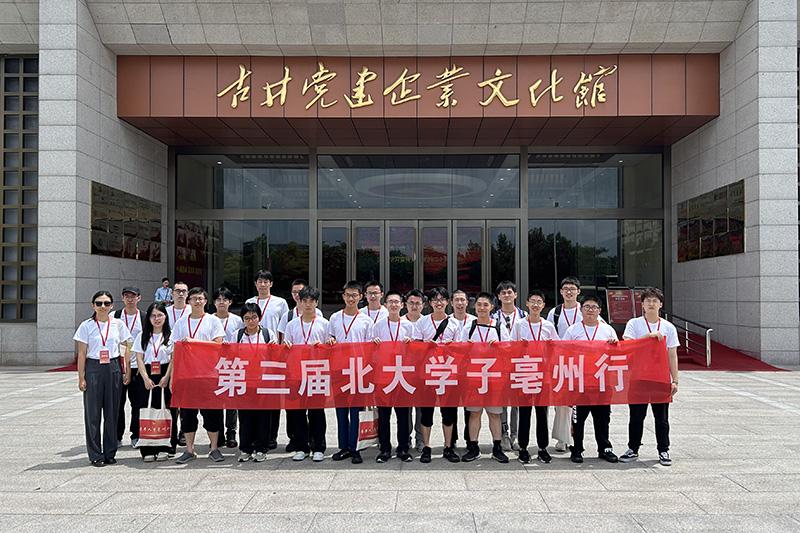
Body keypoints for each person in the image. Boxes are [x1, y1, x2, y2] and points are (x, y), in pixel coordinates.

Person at [620, 287, 680, 466]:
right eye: (648, 301)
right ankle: (633, 448)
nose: (651, 304)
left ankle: (663, 449)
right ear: (643, 304)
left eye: (655, 301)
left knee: (661, 418)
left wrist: (675, 380)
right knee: (636, 416)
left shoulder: (668, 327)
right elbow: (627, 345)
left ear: (661, 304)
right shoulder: (634, 324)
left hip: (660, 378)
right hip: (638, 378)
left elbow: (672, 355)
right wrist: (647, 337)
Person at [73, 291, 132, 466]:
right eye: (99, 303)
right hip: (94, 367)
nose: (103, 306)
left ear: (112, 305)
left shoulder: (118, 324)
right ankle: (95, 454)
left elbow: (127, 346)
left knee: (112, 412)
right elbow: (82, 353)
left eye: (106, 303)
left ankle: (110, 452)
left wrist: (127, 370)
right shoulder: (86, 326)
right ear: (93, 305)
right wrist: (81, 377)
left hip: (113, 367)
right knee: (93, 413)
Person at [171, 287, 226, 464]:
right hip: (187, 375)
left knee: (212, 414)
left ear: (206, 301)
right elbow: (175, 350)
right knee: (187, 414)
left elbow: (218, 345)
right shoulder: (181, 323)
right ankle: (189, 450)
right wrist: (173, 376)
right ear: (188, 301)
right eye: (194, 298)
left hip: (208, 374)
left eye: (200, 298)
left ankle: (214, 448)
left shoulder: (213, 321)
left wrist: (195, 343)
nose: (197, 301)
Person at [562, 295, 619, 464]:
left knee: (603, 418)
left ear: (599, 311)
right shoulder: (572, 330)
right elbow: (563, 352)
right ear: (581, 310)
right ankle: (577, 448)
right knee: (578, 419)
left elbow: (616, 354)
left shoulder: (607, 330)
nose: (590, 310)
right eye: (587, 307)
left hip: (602, 382)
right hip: (580, 382)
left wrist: (614, 344)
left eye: (594, 307)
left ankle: (604, 448)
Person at [459, 291, 511, 463]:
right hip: (474, 378)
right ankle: (473, 447)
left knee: (494, 414)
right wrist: (466, 347)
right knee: (474, 413)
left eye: (485, 305)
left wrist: (499, 346)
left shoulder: (499, 327)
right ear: (475, 306)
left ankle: (497, 447)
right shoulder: (469, 327)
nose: (482, 308)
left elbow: (509, 349)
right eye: (479, 304)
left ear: (492, 307)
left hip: (494, 378)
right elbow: (459, 351)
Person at [327, 280, 373, 464]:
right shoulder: (334, 318)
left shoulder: (366, 320)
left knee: (356, 412)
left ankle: (355, 448)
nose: (351, 298)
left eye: (354, 295)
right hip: (339, 370)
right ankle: (343, 447)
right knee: (340, 411)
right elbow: (330, 339)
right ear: (343, 296)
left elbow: (370, 348)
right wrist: (331, 341)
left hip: (358, 370)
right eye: (348, 295)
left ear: (361, 297)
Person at [414, 287, 461, 463]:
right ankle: (426, 447)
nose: (439, 303)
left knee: (448, 412)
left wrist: (452, 347)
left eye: (442, 299)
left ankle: (448, 447)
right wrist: (426, 346)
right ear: (430, 303)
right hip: (427, 373)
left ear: (447, 302)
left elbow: (461, 349)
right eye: (435, 300)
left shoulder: (455, 323)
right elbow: (415, 347)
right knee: (426, 412)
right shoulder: (422, 322)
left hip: (448, 373)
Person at [283, 286, 329, 462]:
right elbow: (285, 349)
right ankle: (301, 446)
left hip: (317, 373)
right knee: (298, 412)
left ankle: (319, 447)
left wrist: (325, 346)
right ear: (299, 302)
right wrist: (287, 347)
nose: (308, 304)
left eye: (311, 301)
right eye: (305, 301)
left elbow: (330, 349)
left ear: (316, 303)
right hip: (297, 374)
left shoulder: (324, 324)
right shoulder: (292, 325)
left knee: (317, 412)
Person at [512, 289, 558, 464]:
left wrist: (549, 346)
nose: (536, 305)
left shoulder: (548, 326)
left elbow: (557, 347)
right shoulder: (519, 324)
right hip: (525, 372)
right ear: (527, 304)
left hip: (543, 374)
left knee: (542, 412)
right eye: (533, 301)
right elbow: (510, 346)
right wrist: (519, 346)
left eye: (539, 302)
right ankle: (523, 447)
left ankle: (542, 447)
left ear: (543, 305)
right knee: (524, 412)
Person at [245, 270, 289, 449]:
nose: (262, 285)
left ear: (271, 283)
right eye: (259, 281)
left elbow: (283, 328)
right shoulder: (249, 302)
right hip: (253, 356)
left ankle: (271, 436)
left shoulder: (280, 302)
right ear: (255, 284)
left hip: (273, 355)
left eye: (266, 281)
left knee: (273, 397)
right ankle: (256, 435)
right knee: (254, 397)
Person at [371, 290, 415, 463]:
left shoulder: (408, 326)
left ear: (402, 305)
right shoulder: (378, 325)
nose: (394, 305)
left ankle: (403, 448)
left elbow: (415, 352)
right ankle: (385, 449)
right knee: (384, 415)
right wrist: (374, 346)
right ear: (386, 305)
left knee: (403, 415)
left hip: (402, 375)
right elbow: (372, 353)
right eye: (390, 302)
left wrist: (411, 345)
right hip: (383, 376)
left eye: (397, 302)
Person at [231, 302, 276, 463]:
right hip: (244, 381)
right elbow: (231, 356)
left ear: (260, 318)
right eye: (247, 318)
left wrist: (274, 348)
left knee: (263, 417)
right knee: (245, 417)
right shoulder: (237, 335)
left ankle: (261, 448)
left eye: (254, 317)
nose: (251, 321)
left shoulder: (268, 334)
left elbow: (275, 356)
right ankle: (245, 448)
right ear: (243, 320)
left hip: (264, 381)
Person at [132, 302, 178, 462]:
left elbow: (174, 358)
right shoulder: (142, 336)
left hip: (166, 374)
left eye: (160, 315)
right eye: (153, 316)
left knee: (167, 410)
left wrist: (167, 377)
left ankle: (167, 446)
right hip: (147, 375)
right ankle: (148, 448)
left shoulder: (172, 336)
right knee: (147, 410)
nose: (156, 319)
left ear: (165, 317)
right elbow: (139, 358)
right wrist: (145, 377)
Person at [546, 276, 583, 453]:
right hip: (560, 362)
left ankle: (575, 436)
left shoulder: (586, 310)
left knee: (577, 403)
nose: (569, 292)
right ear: (561, 292)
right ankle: (563, 438)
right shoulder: (554, 312)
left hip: (581, 362)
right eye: (566, 289)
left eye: (572, 289)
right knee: (561, 402)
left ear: (578, 292)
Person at [492, 281, 527, 452]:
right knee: (502, 402)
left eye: (509, 292)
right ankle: (504, 434)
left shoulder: (524, 315)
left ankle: (516, 435)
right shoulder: (493, 317)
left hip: (520, 364)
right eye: (503, 293)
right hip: (500, 365)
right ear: (498, 296)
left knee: (517, 402)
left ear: (515, 295)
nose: (507, 295)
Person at [114, 287, 145, 448]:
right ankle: (117, 436)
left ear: (139, 298)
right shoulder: (115, 316)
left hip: (137, 366)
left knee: (137, 403)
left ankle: (136, 435)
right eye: (127, 296)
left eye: (133, 296)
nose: (130, 299)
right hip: (118, 366)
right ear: (122, 298)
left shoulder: (144, 317)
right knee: (117, 403)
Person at [213, 287, 244, 449]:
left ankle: (231, 432)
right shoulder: (208, 319)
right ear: (213, 302)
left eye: (225, 299)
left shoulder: (237, 320)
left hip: (232, 364)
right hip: (213, 365)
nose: (222, 302)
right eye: (218, 299)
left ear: (230, 302)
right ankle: (217, 433)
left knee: (232, 400)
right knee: (216, 400)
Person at [448, 289, 475, 450]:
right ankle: (451, 440)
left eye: (462, 300)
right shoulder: (446, 321)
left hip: (470, 371)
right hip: (450, 370)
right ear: (451, 303)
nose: (459, 303)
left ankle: (469, 439)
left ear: (467, 302)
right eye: (456, 300)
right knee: (450, 407)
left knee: (469, 408)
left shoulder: (475, 321)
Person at [277, 279, 323, 344]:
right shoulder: (288, 317)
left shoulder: (319, 315)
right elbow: (284, 341)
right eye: (294, 292)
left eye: (299, 291)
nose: (297, 295)